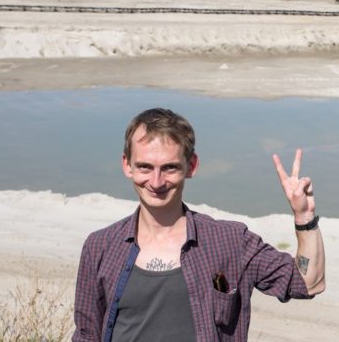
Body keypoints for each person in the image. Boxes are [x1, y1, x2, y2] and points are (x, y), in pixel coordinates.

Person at [73, 108, 325, 341]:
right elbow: (86, 335)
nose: (156, 181)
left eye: (169, 168)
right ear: (127, 165)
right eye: (145, 167)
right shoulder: (100, 246)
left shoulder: (230, 241)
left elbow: (308, 283)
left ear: (191, 166)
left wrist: (304, 217)